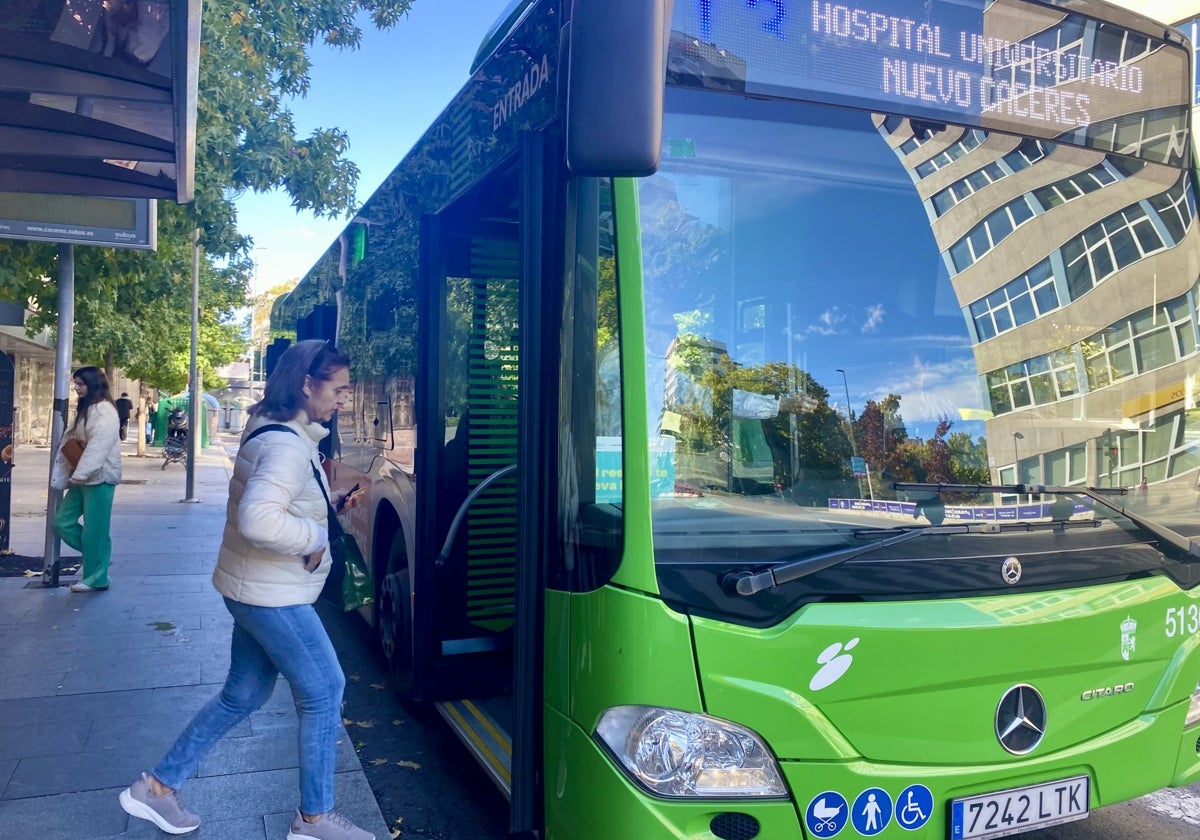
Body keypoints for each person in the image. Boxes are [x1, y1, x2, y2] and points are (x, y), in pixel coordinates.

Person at [118, 340, 370, 840]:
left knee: (244, 694)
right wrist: (314, 535)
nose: (344, 398)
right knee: (325, 691)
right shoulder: (285, 445)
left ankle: (157, 789)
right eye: (339, 388)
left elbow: (277, 501)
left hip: (254, 587)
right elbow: (259, 518)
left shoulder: (276, 431)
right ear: (307, 384)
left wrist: (329, 504)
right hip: (271, 594)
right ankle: (314, 820)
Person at [51, 366, 123, 593]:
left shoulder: (104, 411)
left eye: (80, 384)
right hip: (82, 477)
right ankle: (98, 557)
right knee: (62, 521)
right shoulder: (90, 408)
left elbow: (98, 446)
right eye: (76, 383)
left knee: (95, 531)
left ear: (92, 385)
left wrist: (80, 474)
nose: (76, 388)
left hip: (98, 478)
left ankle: (97, 578)